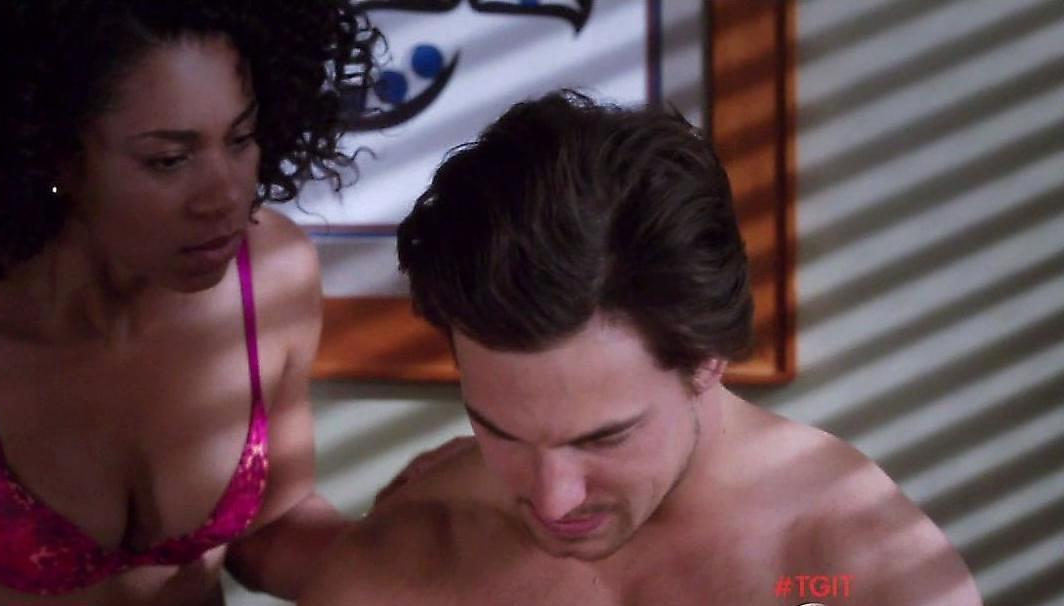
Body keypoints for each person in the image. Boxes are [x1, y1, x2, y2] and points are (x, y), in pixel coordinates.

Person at [298, 91, 982, 605]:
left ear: (708, 356)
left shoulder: (857, 570)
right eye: (500, 431)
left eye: (605, 438)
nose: (555, 501)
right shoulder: (411, 557)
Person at [0, 1, 378, 604]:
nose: (225, 196)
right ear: (52, 154)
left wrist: (406, 556)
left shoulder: (272, 278)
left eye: (240, 139)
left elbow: (274, 526)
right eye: (169, 160)